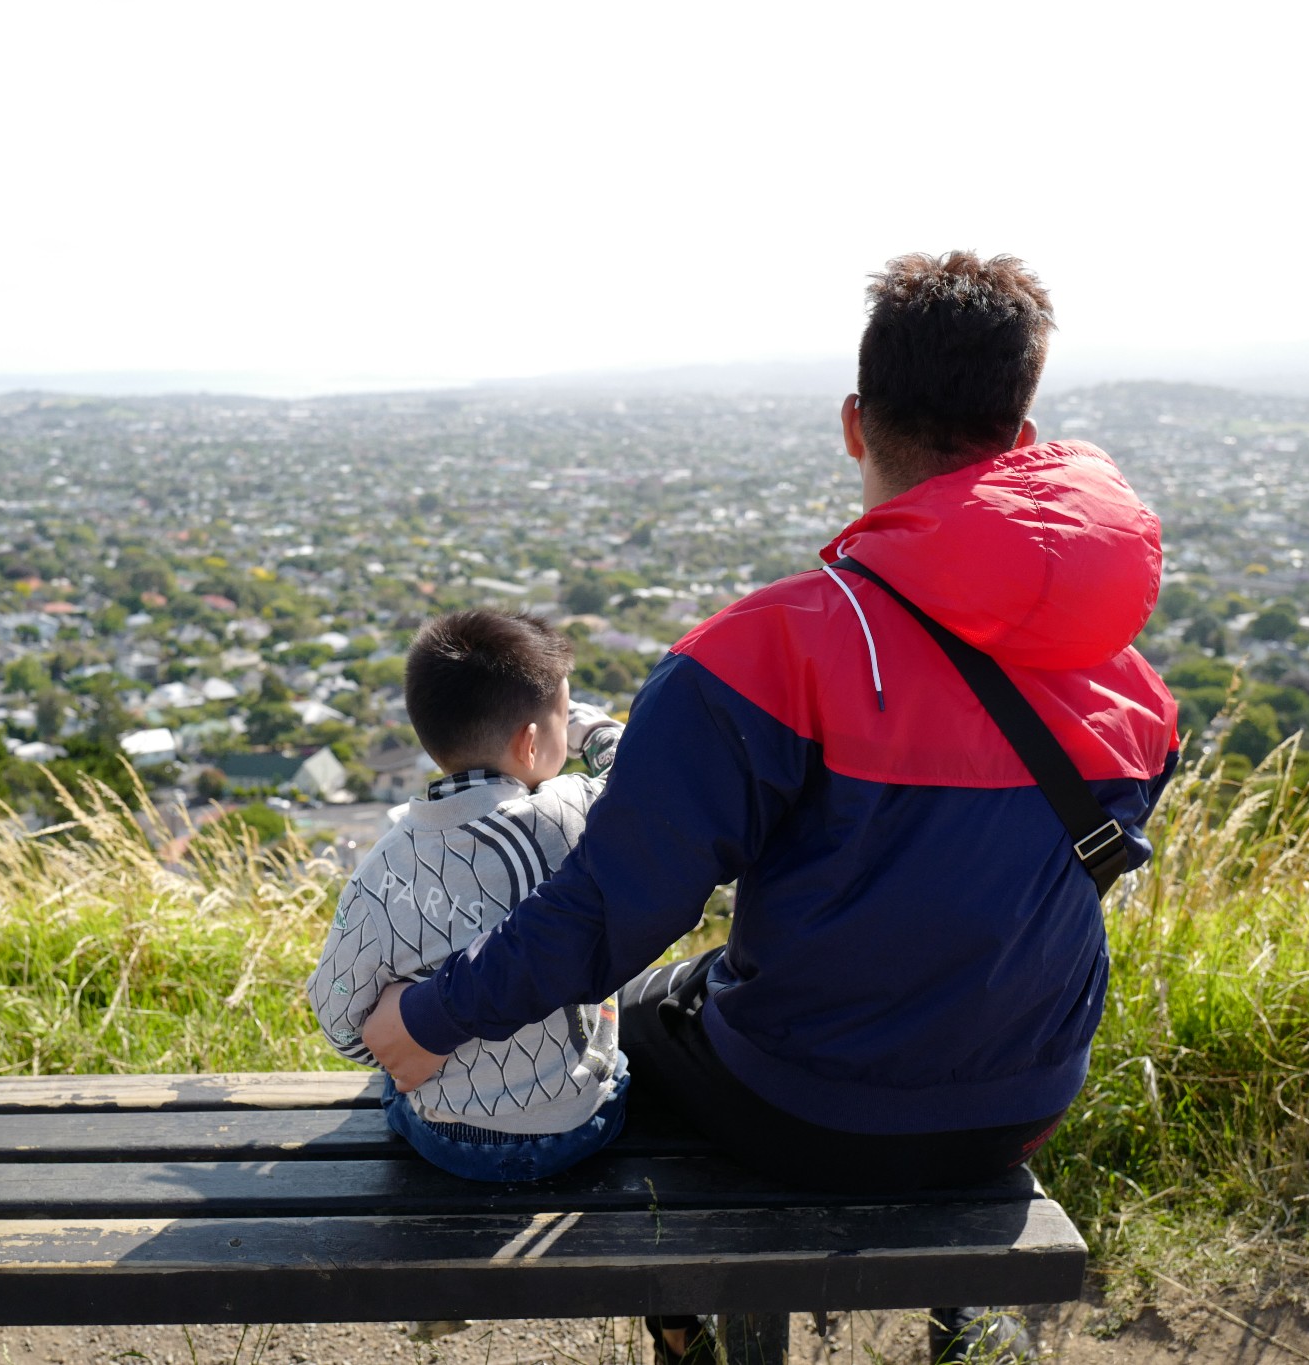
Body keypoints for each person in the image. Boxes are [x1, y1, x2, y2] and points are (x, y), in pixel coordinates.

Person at [362, 252, 1181, 1365]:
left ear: (854, 422)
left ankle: (681, 1317)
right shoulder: (1118, 670)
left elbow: (609, 912)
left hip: (813, 1109)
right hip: (1027, 1093)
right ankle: (963, 1315)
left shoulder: (766, 653)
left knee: (621, 1025)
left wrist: (430, 1018)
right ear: (1021, 427)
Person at [307, 608, 629, 1185]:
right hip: (582, 1122)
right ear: (530, 744)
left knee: (393, 1079)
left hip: (451, 1139)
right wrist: (586, 728)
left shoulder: (382, 869)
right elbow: (640, 765)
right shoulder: (573, 813)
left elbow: (338, 1020)